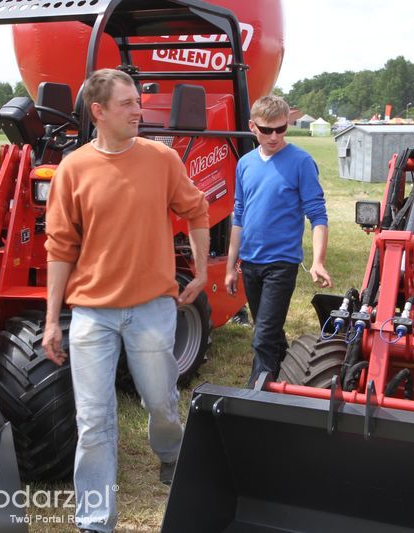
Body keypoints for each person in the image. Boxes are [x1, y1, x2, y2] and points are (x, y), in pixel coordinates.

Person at [42, 68, 209, 533]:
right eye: (128, 104)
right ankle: (95, 520)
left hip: (152, 308)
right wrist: (53, 321)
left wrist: (198, 272)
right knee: (93, 420)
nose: (139, 110)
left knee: (160, 402)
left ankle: (172, 455)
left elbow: (196, 210)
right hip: (92, 314)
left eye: (138, 101)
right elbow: (59, 247)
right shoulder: (73, 169)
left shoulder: (161, 159)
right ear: (98, 112)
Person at [225, 95, 332, 386]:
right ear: (252, 126)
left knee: (262, 337)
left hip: (281, 264)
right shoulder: (245, 163)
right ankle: (289, 375)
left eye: (281, 129)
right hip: (250, 263)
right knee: (267, 330)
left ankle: (257, 394)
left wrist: (318, 261)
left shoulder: (301, 162)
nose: (274, 136)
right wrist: (230, 264)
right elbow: (239, 214)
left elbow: (318, 216)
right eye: (267, 129)